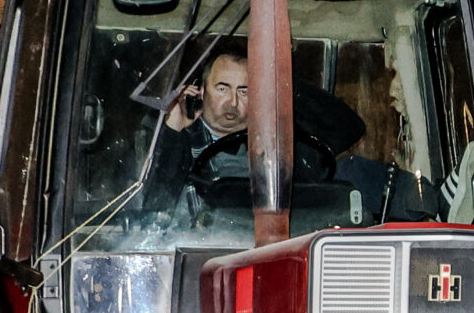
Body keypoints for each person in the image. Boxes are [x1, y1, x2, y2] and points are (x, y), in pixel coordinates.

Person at [147, 40, 368, 209]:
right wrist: (174, 128)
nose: (232, 102)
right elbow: (153, 207)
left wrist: (281, 83)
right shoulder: (169, 139)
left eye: (244, 91)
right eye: (222, 89)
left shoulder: (283, 144)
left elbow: (349, 128)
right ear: (201, 92)